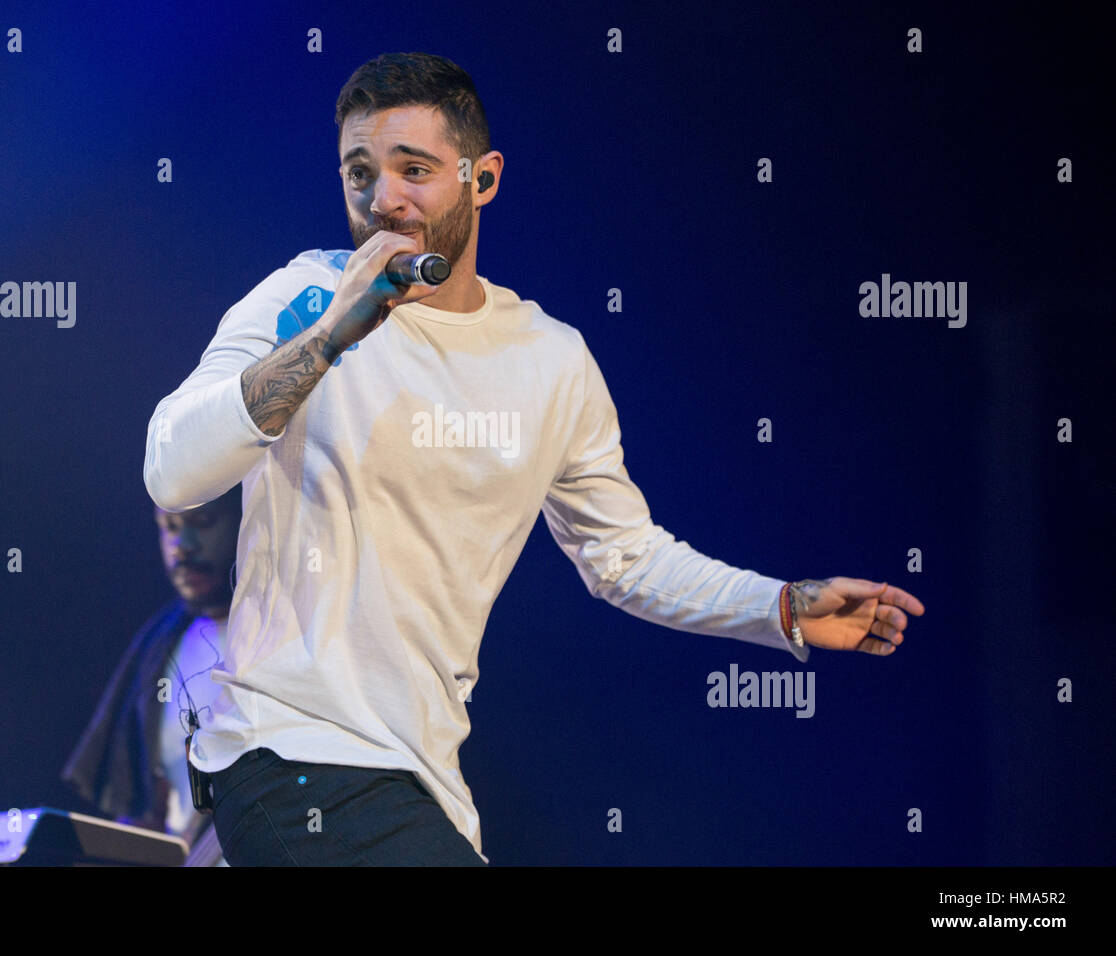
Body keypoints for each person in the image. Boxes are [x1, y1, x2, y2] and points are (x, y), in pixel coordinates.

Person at [143, 52, 925, 866]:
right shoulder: (302, 296)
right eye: (360, 172)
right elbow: (173, 466)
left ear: (483, 179)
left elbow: (625, 557)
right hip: (289, 751)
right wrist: (330, 336)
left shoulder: (550, 360)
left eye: (415, 169)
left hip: (423, 775)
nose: (384, 198)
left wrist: (783, 607)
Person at [60, 487, 241, 866]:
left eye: (204, 523)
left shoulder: (282, 630)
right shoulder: (158, 646)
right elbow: (145, 804)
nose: (183, 545)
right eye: (170, 527)